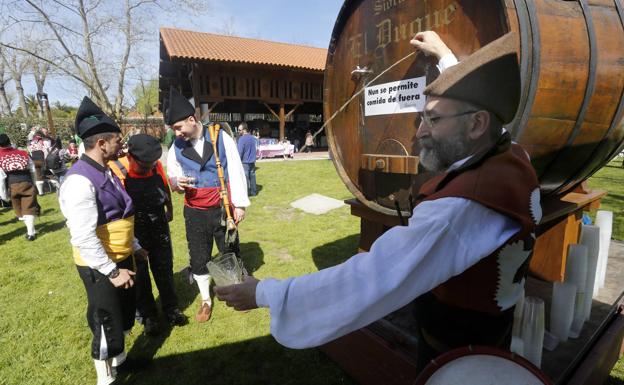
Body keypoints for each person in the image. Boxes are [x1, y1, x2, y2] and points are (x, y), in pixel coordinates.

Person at [216, 31, 542, 365]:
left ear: (476, 125)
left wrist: (264, 293)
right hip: (495, 335)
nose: (420, 131)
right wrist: (446, 57)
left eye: (433, 119)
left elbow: (368, 278)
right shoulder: (513, 156)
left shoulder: (457, 210)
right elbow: (474, 106)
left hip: (456, 356)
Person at [59, 96, 149, 385]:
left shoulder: (106, 170)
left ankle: (120, 362)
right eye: (117, 140)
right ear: (101, 143)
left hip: (119, 257)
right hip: (99, 265)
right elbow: (84, 237)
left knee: (123, 313)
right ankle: (105, 378)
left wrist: (134, 248)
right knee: (105, 318)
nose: (121, 145)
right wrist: (112, 271)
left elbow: (119, 216)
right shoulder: (79, 181)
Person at [164, 88, 250, 323]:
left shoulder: (221, 136)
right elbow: (172, 175)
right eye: (173, 130)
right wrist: (176, 183)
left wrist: (239, 204)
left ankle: (238, 293)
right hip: (194, 212)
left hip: (223, 208)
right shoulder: (175, 147)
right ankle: (205, 300)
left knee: (229, 251)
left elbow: (235, 170)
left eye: (179, 127)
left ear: (192, 120)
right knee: (198, 257)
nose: (177, 133)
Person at [109, 134, 187, 335]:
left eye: (152, 164)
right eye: (144, 166)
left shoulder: (155, 165)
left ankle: (171, 308)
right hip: (135, 230)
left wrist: (169, 208)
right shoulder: (117, 169)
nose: (149, 169)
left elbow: (164, 186)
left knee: (164, 268)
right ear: (131, 156)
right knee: (141, 275)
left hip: (159, 225)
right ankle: (148, 316)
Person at [0, 133, 39, 240]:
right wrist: (34, 183)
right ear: (9, 141)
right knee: (29, 207)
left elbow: (1, 178)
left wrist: (3, 195)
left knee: (20, 209)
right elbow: (32, 169)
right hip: (27, 182)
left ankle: (31, 232)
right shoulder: (23, 153)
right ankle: (31, 232)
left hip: (11, 185)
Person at [236, 122, 257, 196]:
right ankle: (254, 192)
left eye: (239, 130)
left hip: (244, 162)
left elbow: (239, 152)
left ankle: (245, 194)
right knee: (252, 177)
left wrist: (237, 162)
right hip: (252, 161)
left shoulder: (241, 139)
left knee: (245, 178)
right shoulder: (252, 138)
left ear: (244, 130)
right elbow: (255, 149)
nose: (238, 131)